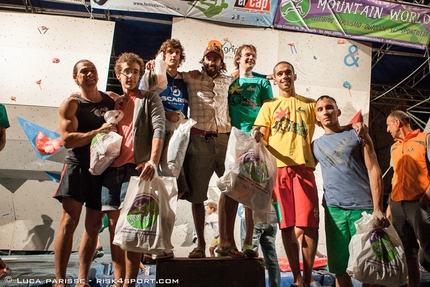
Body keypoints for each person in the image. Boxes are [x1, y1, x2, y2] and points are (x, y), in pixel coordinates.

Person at [253, 61, 321, 287]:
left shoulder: (311, 105)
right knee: (287, 226)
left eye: (288, 73)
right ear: (275, 78)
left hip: (304, 169)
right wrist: (256, 136)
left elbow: (331, 123)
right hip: (278, 171)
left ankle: (309, 276)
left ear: (294, 76)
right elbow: (261, 134)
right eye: (280, 73)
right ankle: (298, 278)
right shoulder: (269, 106)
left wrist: (353, 128)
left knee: (310, 225)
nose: (284, 76)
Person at [101, 52, 166, 287]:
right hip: (111, 171)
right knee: (114, 229)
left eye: (135, 71)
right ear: (119, 74)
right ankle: (118, 281)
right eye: (126, 71)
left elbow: (159, 129)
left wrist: (152, 161)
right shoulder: (115, 101)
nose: (131, 75)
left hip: (137, 170)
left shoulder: (150, 98)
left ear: (140, 75)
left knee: (132, 230)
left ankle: (130, 283)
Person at [53, 59, 117, 287]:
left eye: (93, 70)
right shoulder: (72, 103)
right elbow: (67, 140)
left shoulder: (111, 100)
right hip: (77, 166)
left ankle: (82, 280)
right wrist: (97, 132)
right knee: (69, 222)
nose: (89, 74)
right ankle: (59, 281)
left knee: (93, 226)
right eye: (84, 71)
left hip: (101, 170)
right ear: (76, 77)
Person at [313, 95, 387, 287]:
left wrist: (378, 208)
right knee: (339, 270)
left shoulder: (357, 134)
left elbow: (374, 170)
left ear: (337, 112)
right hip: (334, 212)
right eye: (320, 109)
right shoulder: (315, 146)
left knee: (371, 270)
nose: (325, 111)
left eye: (329, 107)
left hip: (363, 210)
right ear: (317, 118)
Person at [218, 44, 274, 261]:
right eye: (247, 55)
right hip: (232, 137)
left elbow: (269, 109)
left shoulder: (262, 82)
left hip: (255, 138)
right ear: (238, 59)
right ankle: (225, 240)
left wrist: (260, 130)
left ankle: (249, 242)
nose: (251, 58)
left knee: (253, 188)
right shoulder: (231, 81)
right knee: (231, 186)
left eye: (254, 55)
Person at [181, 44, 235, 258]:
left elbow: (246, 76)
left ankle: (227, 243)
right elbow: (170, 73)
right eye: (208, 58)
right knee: (197, 196)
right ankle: (200, 244)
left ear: (221, 62)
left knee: (231, 189)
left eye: (216, 59)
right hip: (199, 139)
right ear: (202, 60)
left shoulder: (229, 80)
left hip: (224, 139)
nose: (212, 62)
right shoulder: (190, 77)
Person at [386, 110, 430, 287]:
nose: (387, 130)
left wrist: (425, 199)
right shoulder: (394, 147)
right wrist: (390, 205)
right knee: (407, 252)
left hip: (419, 203)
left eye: (388, 125)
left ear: (397, 123)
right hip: (397, 204)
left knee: (428, 249)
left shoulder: (425, 139)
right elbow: (395, 176)